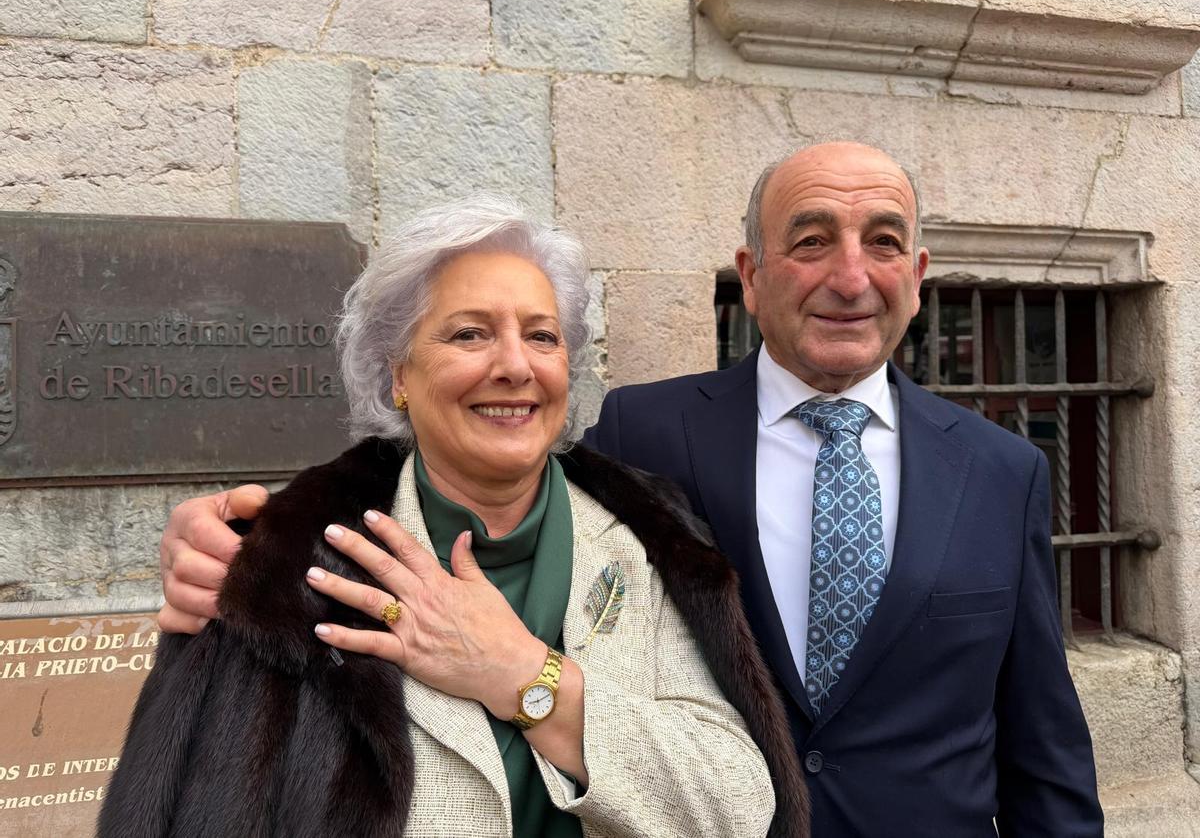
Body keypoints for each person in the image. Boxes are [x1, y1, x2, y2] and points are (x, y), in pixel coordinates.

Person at [156, 143, 1104, 835]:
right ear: (752, 274)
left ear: (920, 274)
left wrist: (519, 679)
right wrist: (241, 540)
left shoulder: (1002, 469)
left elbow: (1042, 748)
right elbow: (480, 469)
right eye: (810, 240)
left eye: (883, 242)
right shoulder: (648, 441)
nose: (850, 275)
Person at [102, 196, 807, 838]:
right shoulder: (286, 564)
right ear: (397, 375)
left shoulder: (654, 542)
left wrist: (525, 676)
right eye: (469, 335)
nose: (514, 366)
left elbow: (738, 805)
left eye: (542, 336)